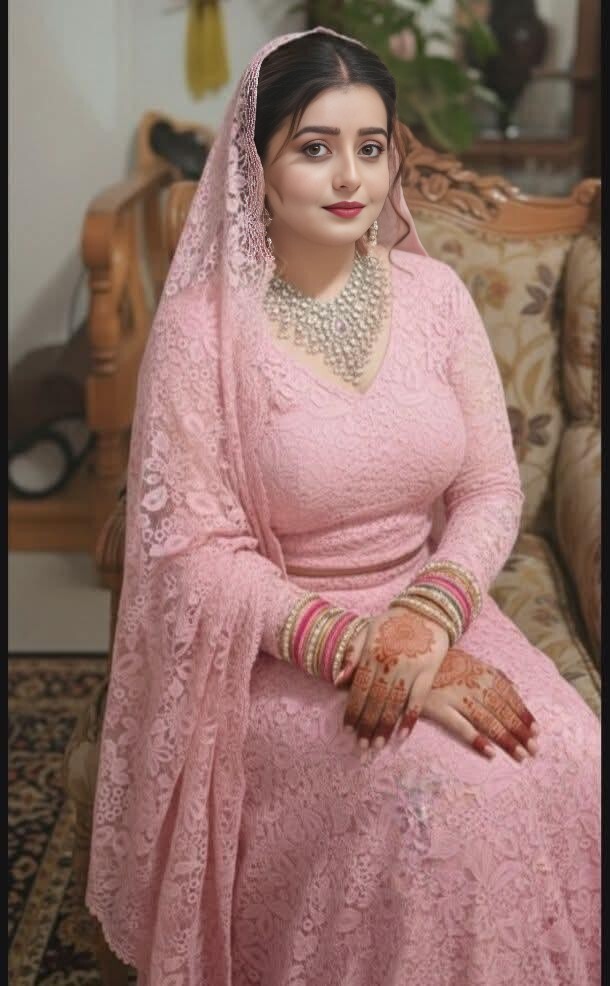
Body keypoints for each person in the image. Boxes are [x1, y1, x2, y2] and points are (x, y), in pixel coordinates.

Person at [86, 26, 600, 986]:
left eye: (371, 146)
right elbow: (193, 554)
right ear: (258, 167)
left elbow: (490, 487)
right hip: (283, 649)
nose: (350, 176)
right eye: (315, 147)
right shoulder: (203, 332)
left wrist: (428, 618)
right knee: (441, 806)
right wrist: (367, 654)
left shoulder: (435, 296)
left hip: (438, 610)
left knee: (577, 757)